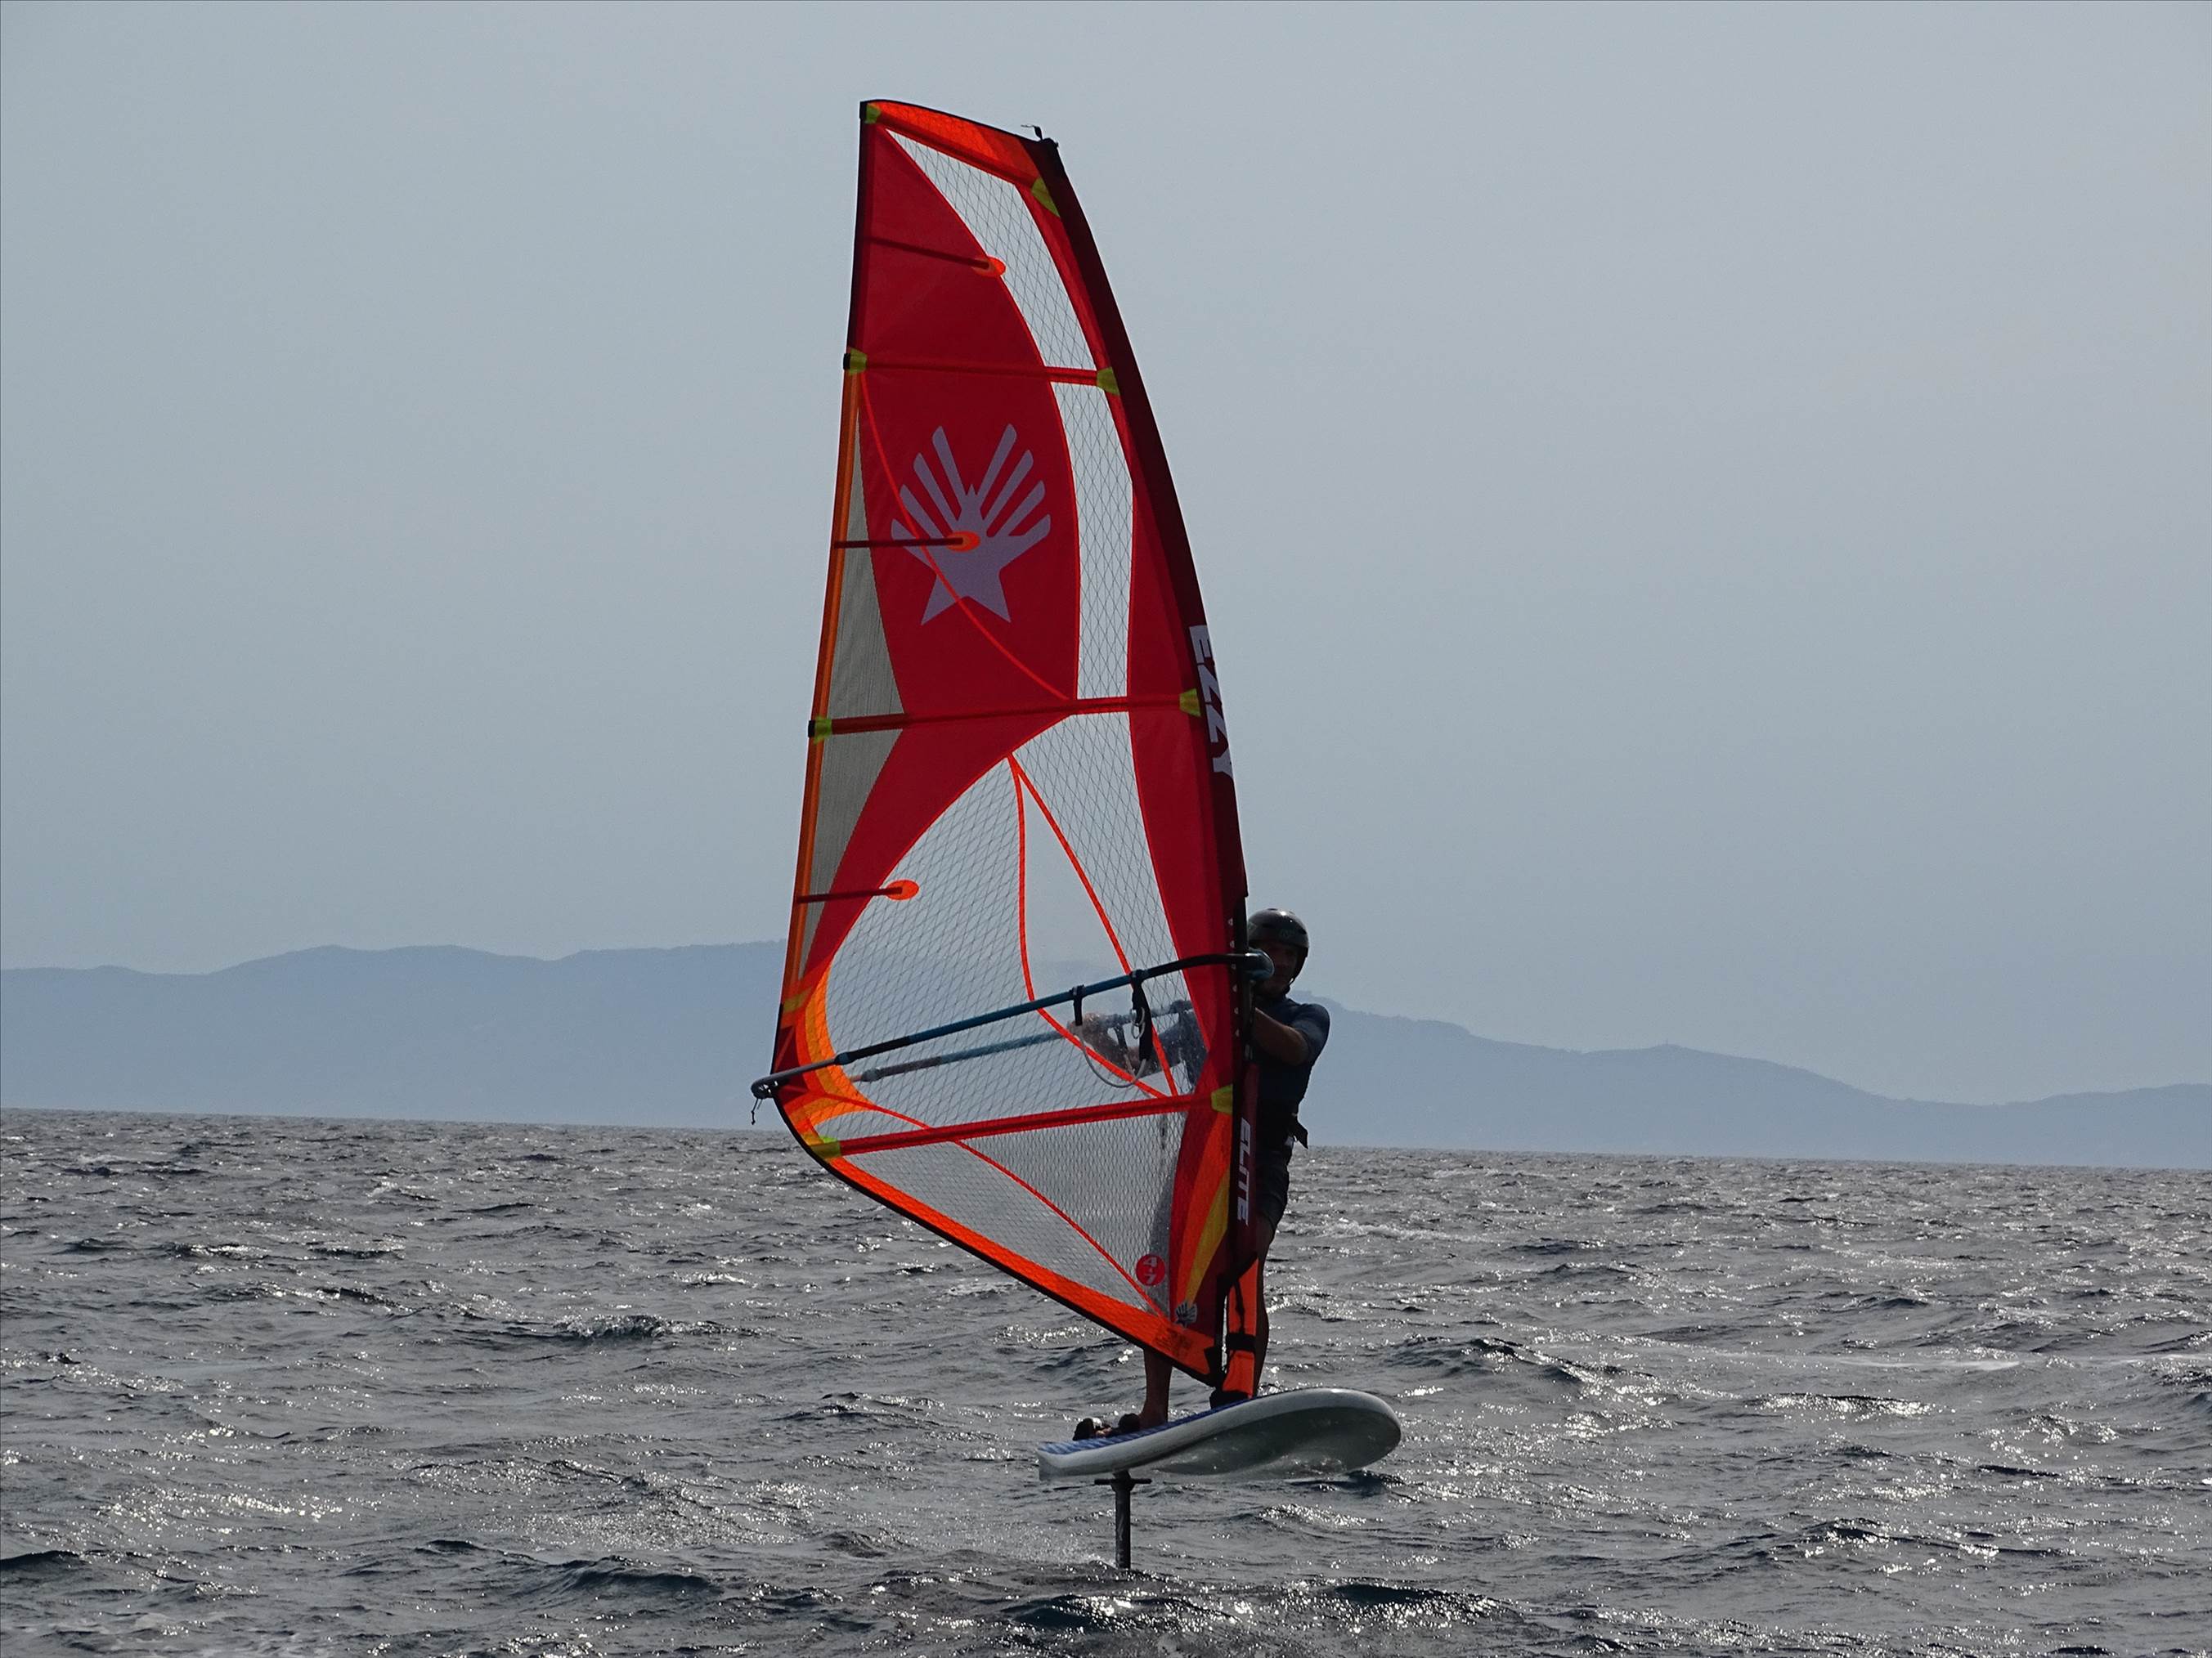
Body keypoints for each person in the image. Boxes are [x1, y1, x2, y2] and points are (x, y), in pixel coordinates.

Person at [1133, 907, 1328, 1427]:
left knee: (1246, 1260)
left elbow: (1294, 1050)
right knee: (1167, 1275)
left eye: (1289, 956)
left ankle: (1239, 1396)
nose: (1280, 962)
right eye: (1271, 952)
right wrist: (1092, 1034)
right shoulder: (1205, 1018)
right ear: (1251, 955)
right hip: (1203, 1160)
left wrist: (1234, 1007)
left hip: (1261, 1163)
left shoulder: (1307, 1016)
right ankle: (1155, 1408)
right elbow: (1141, 1063)